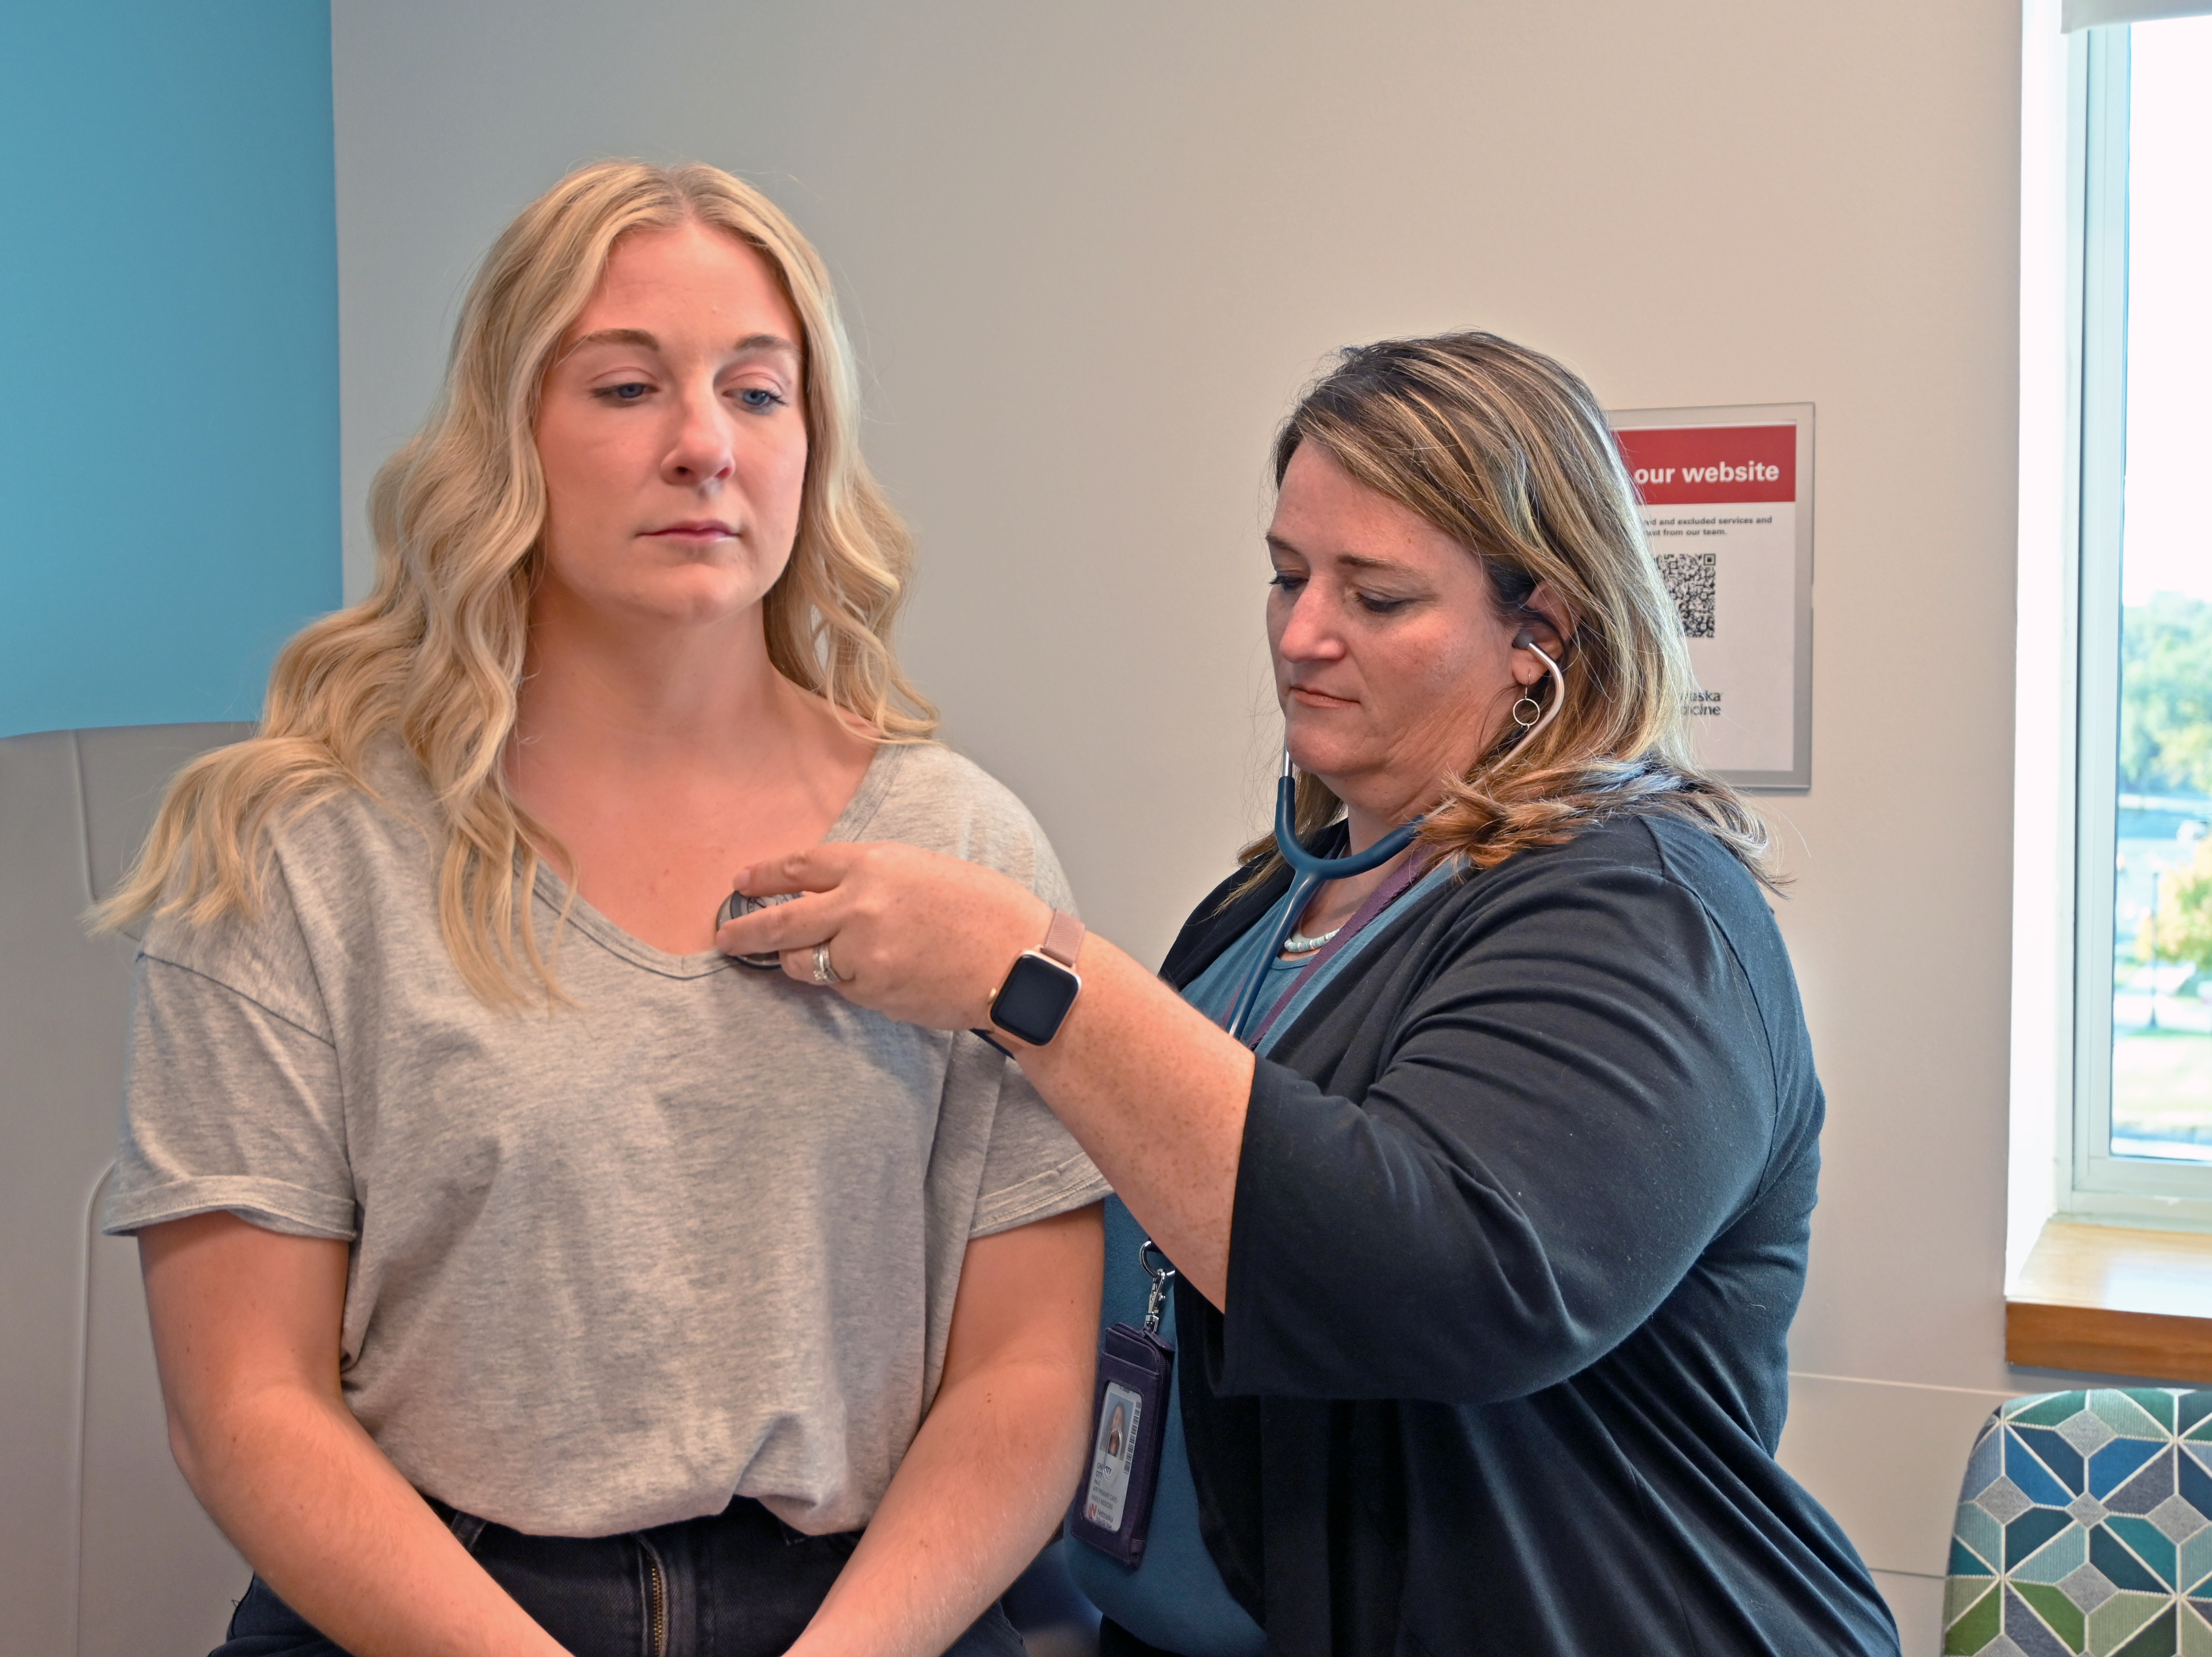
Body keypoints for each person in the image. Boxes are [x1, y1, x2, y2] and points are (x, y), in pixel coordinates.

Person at [717, 333, 1904, 1656]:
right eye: (1286, 577)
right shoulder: (1267, 903)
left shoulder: (1645, 904)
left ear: (1542, 630)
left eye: (1378, 597)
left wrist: (1024, 972)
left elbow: (1447, 1284)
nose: (1302, 634)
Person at [95, 161, 1107, 1657]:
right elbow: (246, 1405)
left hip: (871, 1613)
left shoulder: (960, 848)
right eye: (628, 388)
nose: (704, 447)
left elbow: (1025, 1376)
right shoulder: (303, 852)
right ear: (510, 435)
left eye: (759, 395)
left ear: (813, 447)